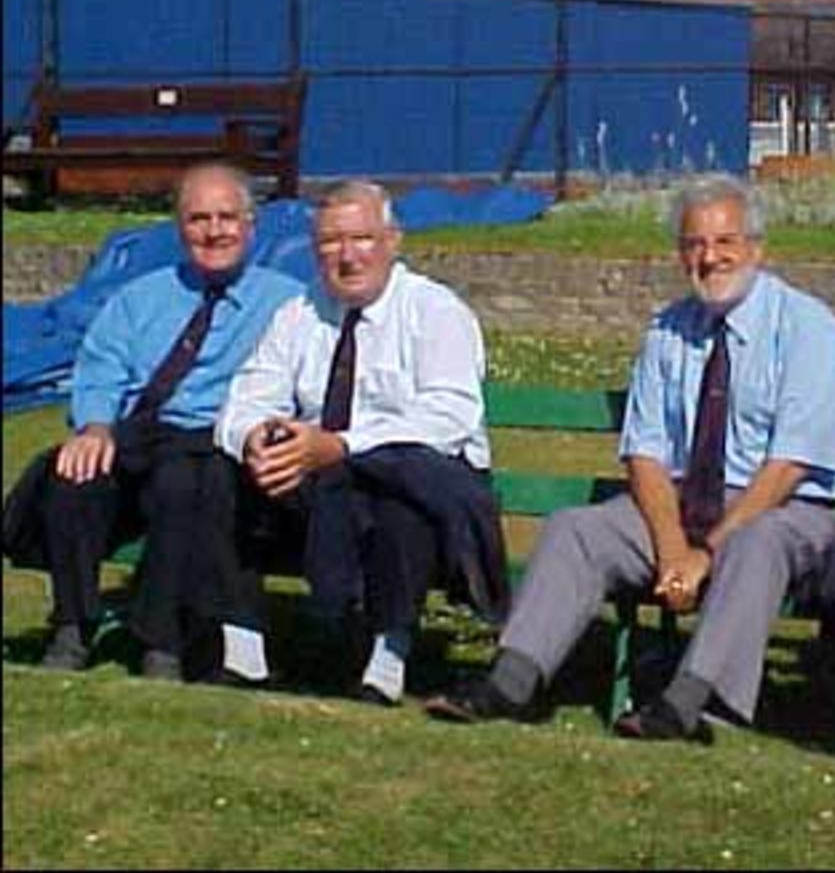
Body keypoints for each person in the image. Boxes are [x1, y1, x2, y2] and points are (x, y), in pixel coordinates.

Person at [423, 173, 835, 742]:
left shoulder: (810, 330)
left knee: (755, 544)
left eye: (725, 242)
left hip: (783, 509)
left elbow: (788, 465)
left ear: (756, 248)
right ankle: (509, 681)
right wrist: (673, 547)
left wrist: (704, 555)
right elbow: (645, 452)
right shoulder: (668, 331)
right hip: (681, 504)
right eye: (695, 244)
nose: (710, 257)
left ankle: (686, 702)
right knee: (577, 529)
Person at [214, 179, 507, 707]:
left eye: (362, 239)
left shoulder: (434, 311)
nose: (347, 257)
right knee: (219, 474)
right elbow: (248, 396)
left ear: (393, 240)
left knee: (395, 496)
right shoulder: (298, 314)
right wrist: (257, 437)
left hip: (423, 482)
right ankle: (244, 653)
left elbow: (450, 417)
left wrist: (343, 445)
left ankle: (385, 663)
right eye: (330, 242)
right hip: (318, 481)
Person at [8, 162, 303, 682]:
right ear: (179, 227)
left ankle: (160, 640)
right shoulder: (140, 298)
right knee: (74, 477)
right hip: (141, 435)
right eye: (199, 219)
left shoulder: (285, 303)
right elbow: (101, 368)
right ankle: (73, 625)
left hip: (217, 446)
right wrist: (95, 427)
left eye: (227, 218)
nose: (214, 231)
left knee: (182, 482)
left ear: (251, 226)